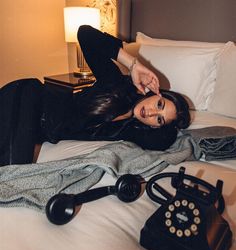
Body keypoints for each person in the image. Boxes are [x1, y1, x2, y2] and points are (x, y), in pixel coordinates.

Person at [0, 25, 190, 167]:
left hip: (36, 130)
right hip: (30, 99)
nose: (150, 113)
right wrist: (133, 65)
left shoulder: (132, 132)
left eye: (159, 119)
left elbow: (162, 142)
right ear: (156, 93)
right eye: (159, 104)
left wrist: (175, 124)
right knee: (12, 167)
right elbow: (85, 33)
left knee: (10, 166)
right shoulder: (114, 82)